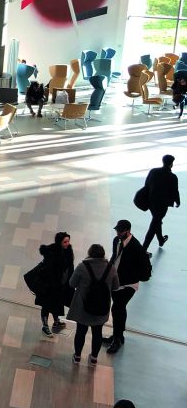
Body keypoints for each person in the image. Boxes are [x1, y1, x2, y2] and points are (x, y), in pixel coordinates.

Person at [102, 219, 151, 354]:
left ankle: (117, 339)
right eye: (117, 230)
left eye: (120, 231)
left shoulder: (136, 247)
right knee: (118, 308)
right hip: (116, 282)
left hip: (128, 284)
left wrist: (128, 275)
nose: (118, 233)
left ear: (128, 231)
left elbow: (142, 270)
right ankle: (118, 335)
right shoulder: (116, 241)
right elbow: (114, 257)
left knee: (117, 307)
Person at [67, 244, 119, 364]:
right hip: (101, 307)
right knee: (97, 332)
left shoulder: (82, 266)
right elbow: (116, 287)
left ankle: (77, 356)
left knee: (81, 331)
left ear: (89, 254)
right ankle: (94, 357)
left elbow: (72, 283)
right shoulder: (111, 268)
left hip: (83, 307)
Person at [34, 231, 74, 336]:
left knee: (57, 303)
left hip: (61, 284)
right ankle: (45, 326)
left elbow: (70, 267)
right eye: (65, 242)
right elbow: (48, 271)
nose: (67, 244)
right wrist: (53, 284)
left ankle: (56, 321)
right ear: (59, 242)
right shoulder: (52, 252)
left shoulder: (68, 250)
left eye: (68, 241)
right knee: (46, 305)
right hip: (50, 285)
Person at [141, 154, 180, 254]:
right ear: (171, 164)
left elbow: (146, 184)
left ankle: (161, 240)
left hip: (151, 202)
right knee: (154, 225)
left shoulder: (153, 171)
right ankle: (142, 250)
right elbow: (175, 191)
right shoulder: (172, 177)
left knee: (156, 221)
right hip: (162, 205)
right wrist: (178, 201)